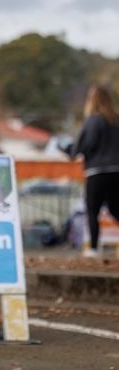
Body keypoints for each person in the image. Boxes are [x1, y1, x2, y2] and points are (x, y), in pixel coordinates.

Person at [70, 85, 119, 257]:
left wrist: (73, 151)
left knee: (92, 210)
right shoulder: (116, 120)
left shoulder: (94, 120)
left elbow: (87, 144)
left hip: (97, 171)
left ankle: (93, 248)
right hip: (116, 171)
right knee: (115, 209)